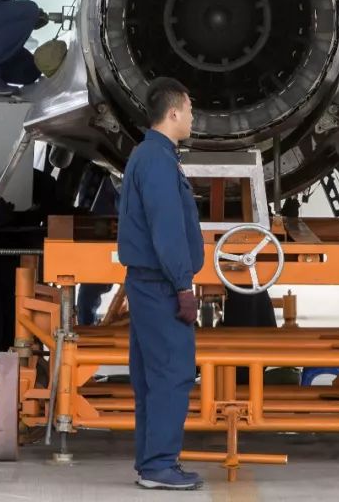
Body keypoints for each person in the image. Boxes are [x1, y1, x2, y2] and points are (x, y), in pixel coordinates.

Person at [117, 77, 205, 491]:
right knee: (172, 373)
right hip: (160, 286)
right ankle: (158, 465)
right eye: (188, 110)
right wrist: (183, 286)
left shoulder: (151, 155)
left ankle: (152, 461)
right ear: (173, 113)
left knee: (152, 376)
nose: (192, 117)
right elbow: (167, 229)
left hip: (148, 282)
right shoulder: (157, 160)